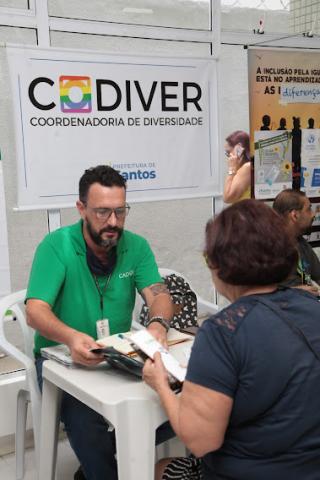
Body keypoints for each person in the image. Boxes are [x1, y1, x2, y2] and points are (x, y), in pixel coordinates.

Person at [143, 199, 320, 480]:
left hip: (248, 470)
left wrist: (161, 385)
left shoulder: (223, 331)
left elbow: (200, 441)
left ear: (221, 266)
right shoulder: (311, 304)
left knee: (155, 471)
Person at [25, 165, 174, 480]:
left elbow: (159, 296)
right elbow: (35, 311)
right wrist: (70, 337)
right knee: (86, 420)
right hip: (61, 358)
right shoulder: (57, 246)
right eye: (102, 212)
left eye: (121, 212)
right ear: (81, 208)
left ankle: (103, 462)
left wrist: (158, 323)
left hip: (117, 352)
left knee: (183, 399)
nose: (113, 223)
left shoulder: (136, 246)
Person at [273, 189, 320, 295]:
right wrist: (294, 292)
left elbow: (318, 277)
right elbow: (257, 294)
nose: (313, 215)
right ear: (295, 215)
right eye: (308, 210)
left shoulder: (301, 243)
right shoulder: (268, 248)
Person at [223, 130, 251, 204]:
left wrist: (231, 168)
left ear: (239, 149)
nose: (228, 157)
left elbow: (228, 198)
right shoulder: (241, 169)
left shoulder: (247, 167)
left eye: (228, 153)